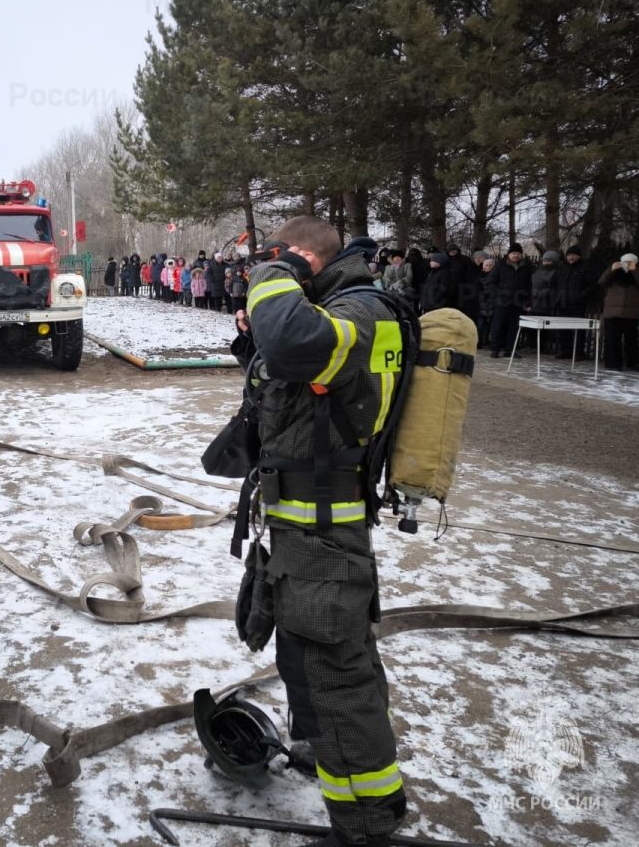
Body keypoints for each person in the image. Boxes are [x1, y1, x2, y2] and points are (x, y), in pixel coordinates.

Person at [234, 215, 406, 847]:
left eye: (279, 256)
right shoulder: (337, 310)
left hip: (325, 524)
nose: (269, 265)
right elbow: (291, 376)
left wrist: (274, 275)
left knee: (337, 671)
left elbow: (294, 345)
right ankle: (315, 751)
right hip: (303, 523)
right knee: (306, 652)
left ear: (303, 255)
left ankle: (366, 819)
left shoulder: (360, 310)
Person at [599, 253, 639, 371]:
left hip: (630, 313)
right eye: (625, 261)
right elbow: (602, 282)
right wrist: (611, 269)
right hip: (613, 311)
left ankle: (632, 363)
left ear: (635, 263)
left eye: (630, 261)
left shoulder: (638, 273)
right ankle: (612, 364)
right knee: (612, 339)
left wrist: (635, 270)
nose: (626, 263)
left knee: (631, 340)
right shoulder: (614, 273)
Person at [487, 243, 533, 358]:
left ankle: (511, 350)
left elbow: (529, 286)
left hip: (517, 303)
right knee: (498, 326)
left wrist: (527, 301)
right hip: (501, 302)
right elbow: (490, 282)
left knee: (514, 328)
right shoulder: (500, 265)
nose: (516, 255)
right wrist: (499, 294)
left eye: (518, 253)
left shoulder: (526, 268)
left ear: (521, 255)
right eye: (513, 253)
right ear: (509, 254)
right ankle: (495, 349)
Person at [477, 256, 497, 349]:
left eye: (491, 265)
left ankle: (492, 343)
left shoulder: (497, 277)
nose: (488, 267)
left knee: (493, 326)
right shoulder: (479, 277)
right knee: (480, 325)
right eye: (486, 265)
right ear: (483, 267)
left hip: (493, 304)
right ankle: (479, 342)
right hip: (481, 304)